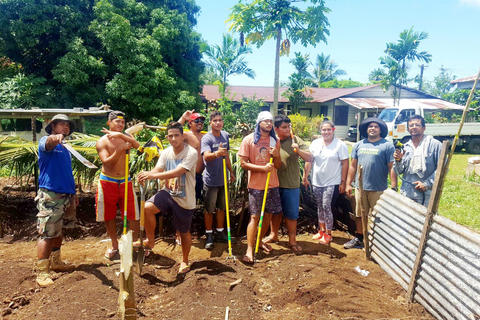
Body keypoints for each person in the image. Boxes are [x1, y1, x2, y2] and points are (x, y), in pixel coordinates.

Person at [138, 121, 198, 274]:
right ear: (167, 137)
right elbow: (158, 168)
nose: (173, 139)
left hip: (185, 198)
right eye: (170, 136)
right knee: (147, 208)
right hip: (168, 193)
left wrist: (153, 175)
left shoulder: (191, 152)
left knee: (184, 232)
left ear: (182, 136)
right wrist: (148, 173)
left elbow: (178, 172)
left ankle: (185, 260)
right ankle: (150, 241)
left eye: (176, 135)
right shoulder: (166, 152)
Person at [35, 114, 77, 286]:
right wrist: (55, 138)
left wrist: (73, 194)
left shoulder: (66, 149)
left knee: (59, 231)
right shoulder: (46, 141)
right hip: (51, 194)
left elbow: (66, 172)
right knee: (47, 232)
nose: (66, 128)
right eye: (62, 125)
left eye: (68, 125)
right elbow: (48, 143)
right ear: (53, 126)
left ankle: (56, 261)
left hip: (66, 194)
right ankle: (42, 272)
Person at [344, 117, 395, 249]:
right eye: (370, 126)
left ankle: (377, 242)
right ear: (366, 129)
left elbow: (391, 167)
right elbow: (352, 166)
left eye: (376, 127)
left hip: (378, 188)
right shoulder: (358, 145)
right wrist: (348, 184)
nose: (372, 128)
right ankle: (360, 238)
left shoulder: (387, 145)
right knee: (359, 214)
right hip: (360, 188)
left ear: (380, 130)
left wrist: (394, 186)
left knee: (377, 216)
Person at [95, 111, 140, 260]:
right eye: (117, 122)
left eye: (122, 122)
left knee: (133, 214)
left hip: (126, 180)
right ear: (109, 123)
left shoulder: (126, 137)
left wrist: (121, 137)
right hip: (108, 181)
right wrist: (119, 150)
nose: (120, 124)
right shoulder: (102, 141)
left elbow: (137, 146)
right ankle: (114, 244)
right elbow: (106, 162)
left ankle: (133, 244)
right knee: (109, 215)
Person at [238, 111, 282, 264]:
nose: (269, 124)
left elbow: (278, 165)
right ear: (259, 123)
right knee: (255, 217)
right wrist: (262, 169)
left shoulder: (273, 140)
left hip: (272, 184)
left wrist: (276, 155)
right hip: (256, 186)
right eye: (265, 121)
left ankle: (260, 240)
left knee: (268, 215)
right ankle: (249, 249)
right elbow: (243, 164)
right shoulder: (249, 140)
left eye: (270, 121)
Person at [264, 115, 311, 253]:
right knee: (275, 212)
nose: (288, 129)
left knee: (291, 214)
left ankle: (292, 240)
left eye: (289, 126)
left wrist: (298, 150)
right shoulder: (271, 141)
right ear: (276, 128)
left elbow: (310, 157)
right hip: (274, 183)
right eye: (284, 127)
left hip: (291, 184)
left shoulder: (295, 140)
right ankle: (274, 235)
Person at [303, 120, 349, 245]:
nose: (326, 132)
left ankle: (329, 234)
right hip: (317, 181)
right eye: (324, 130)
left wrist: (343, 182)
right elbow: (309, 160)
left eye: (329, 129)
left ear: (333, 130)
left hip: (332, 181)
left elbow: (345, 163)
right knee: (319, 206)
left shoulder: (340, 145)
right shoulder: (315, 143)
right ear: (320, 131)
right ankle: (321, 230)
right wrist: (305, 176)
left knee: (326, 206)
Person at [200, 111, 236, 249]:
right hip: (210, 180)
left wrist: (231, 172)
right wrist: (217, 153)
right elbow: (206, 157)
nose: (218, 122)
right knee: (209, 209)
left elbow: (226, 156)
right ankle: (209, 235)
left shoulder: (225, 135)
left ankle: (220, 233)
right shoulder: (206, 139)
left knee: (221, 208)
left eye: (220, 120)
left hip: (223, 180)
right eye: (215, 120)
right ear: (210, 123)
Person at [393, 115, 442, 206]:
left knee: (425, 219)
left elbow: (442, 169)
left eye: (417, 125)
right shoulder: (405, 147)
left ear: (424, 128)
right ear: (408, 129)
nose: (414, 127)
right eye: (411, 125)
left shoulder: (435, 145)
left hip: (426, 194)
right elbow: (399, 171)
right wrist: (398, 160)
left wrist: (427, 184)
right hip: (407, 193)